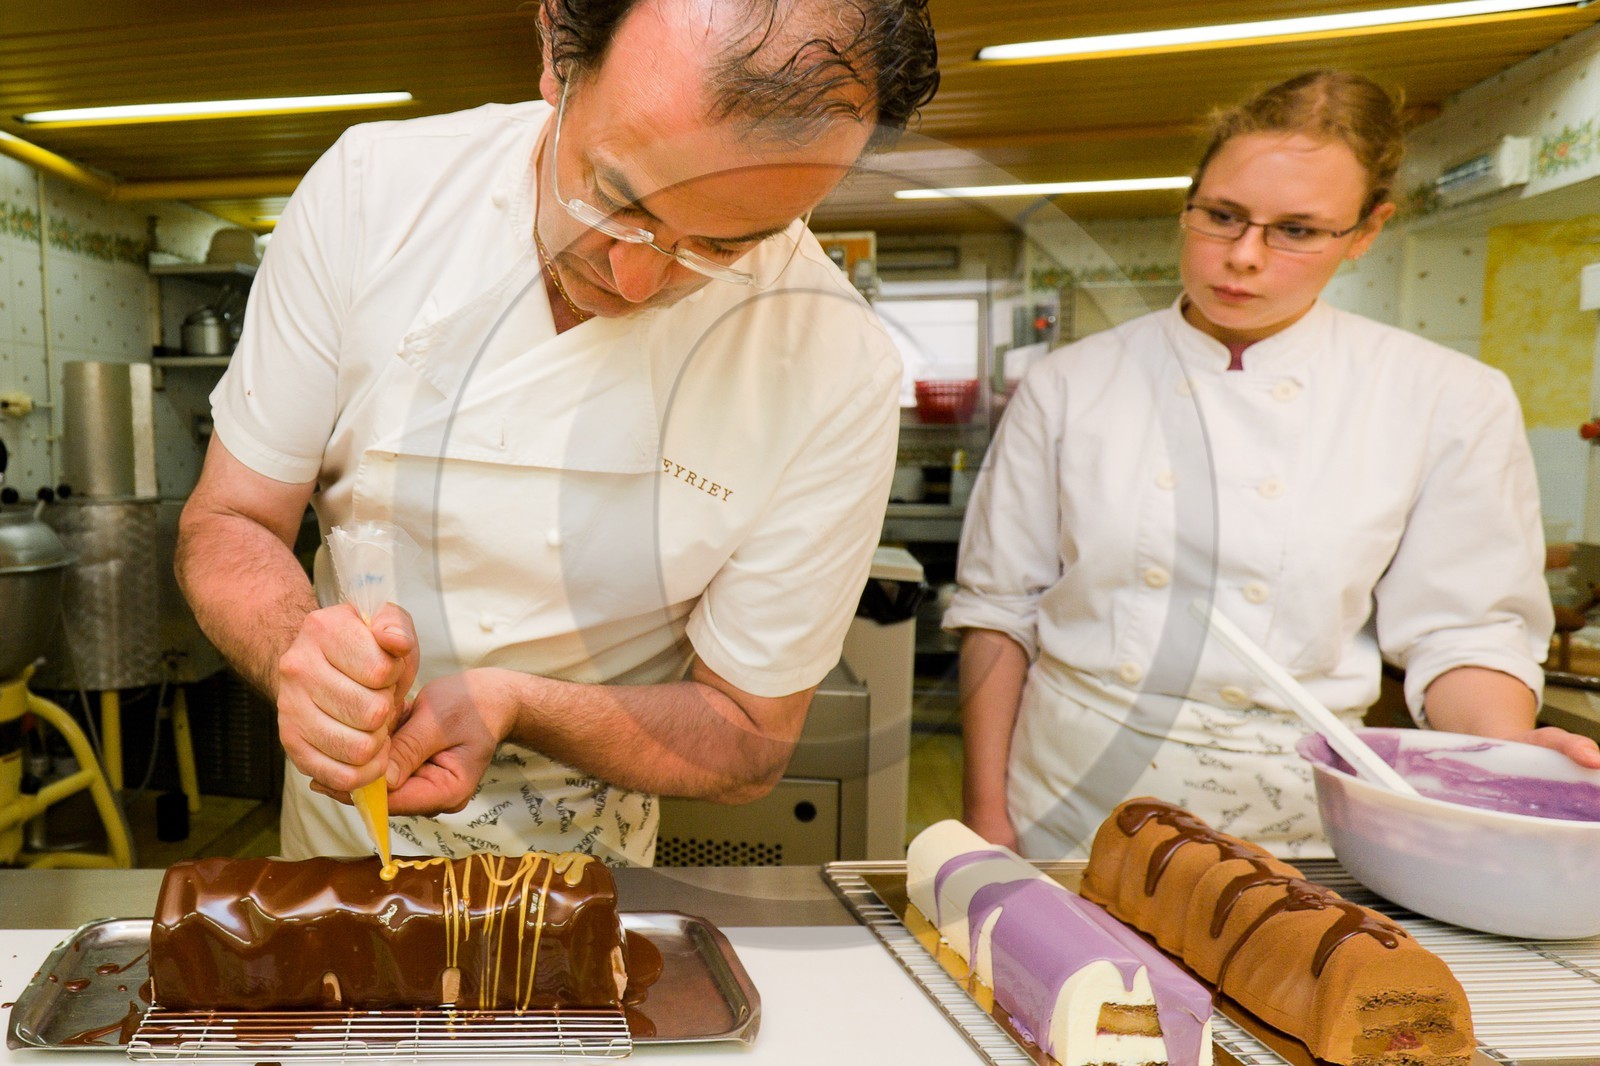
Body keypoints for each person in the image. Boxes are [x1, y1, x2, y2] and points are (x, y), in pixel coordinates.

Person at [175, 0, 939, 865]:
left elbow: (749, 735)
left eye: (721, 250)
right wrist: (296, 657)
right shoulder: (374, 195)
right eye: (615, 198)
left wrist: (515, 705)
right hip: (341, 847)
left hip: (591, 872)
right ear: (555, 49)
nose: (638, 278)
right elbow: (230, 521)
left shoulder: (833, 360)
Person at [947, 70, 1600, 861]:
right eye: (1222, 217)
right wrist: (986, 819)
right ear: (1188, 202)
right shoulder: (1070, 383)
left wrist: (1508, 754)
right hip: (1070, 800)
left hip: (1291, 813)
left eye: (1296, 231)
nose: (1244, 258)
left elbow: (1465, 630)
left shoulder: (1444, 395)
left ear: (1366, 231)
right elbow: (998, 613)